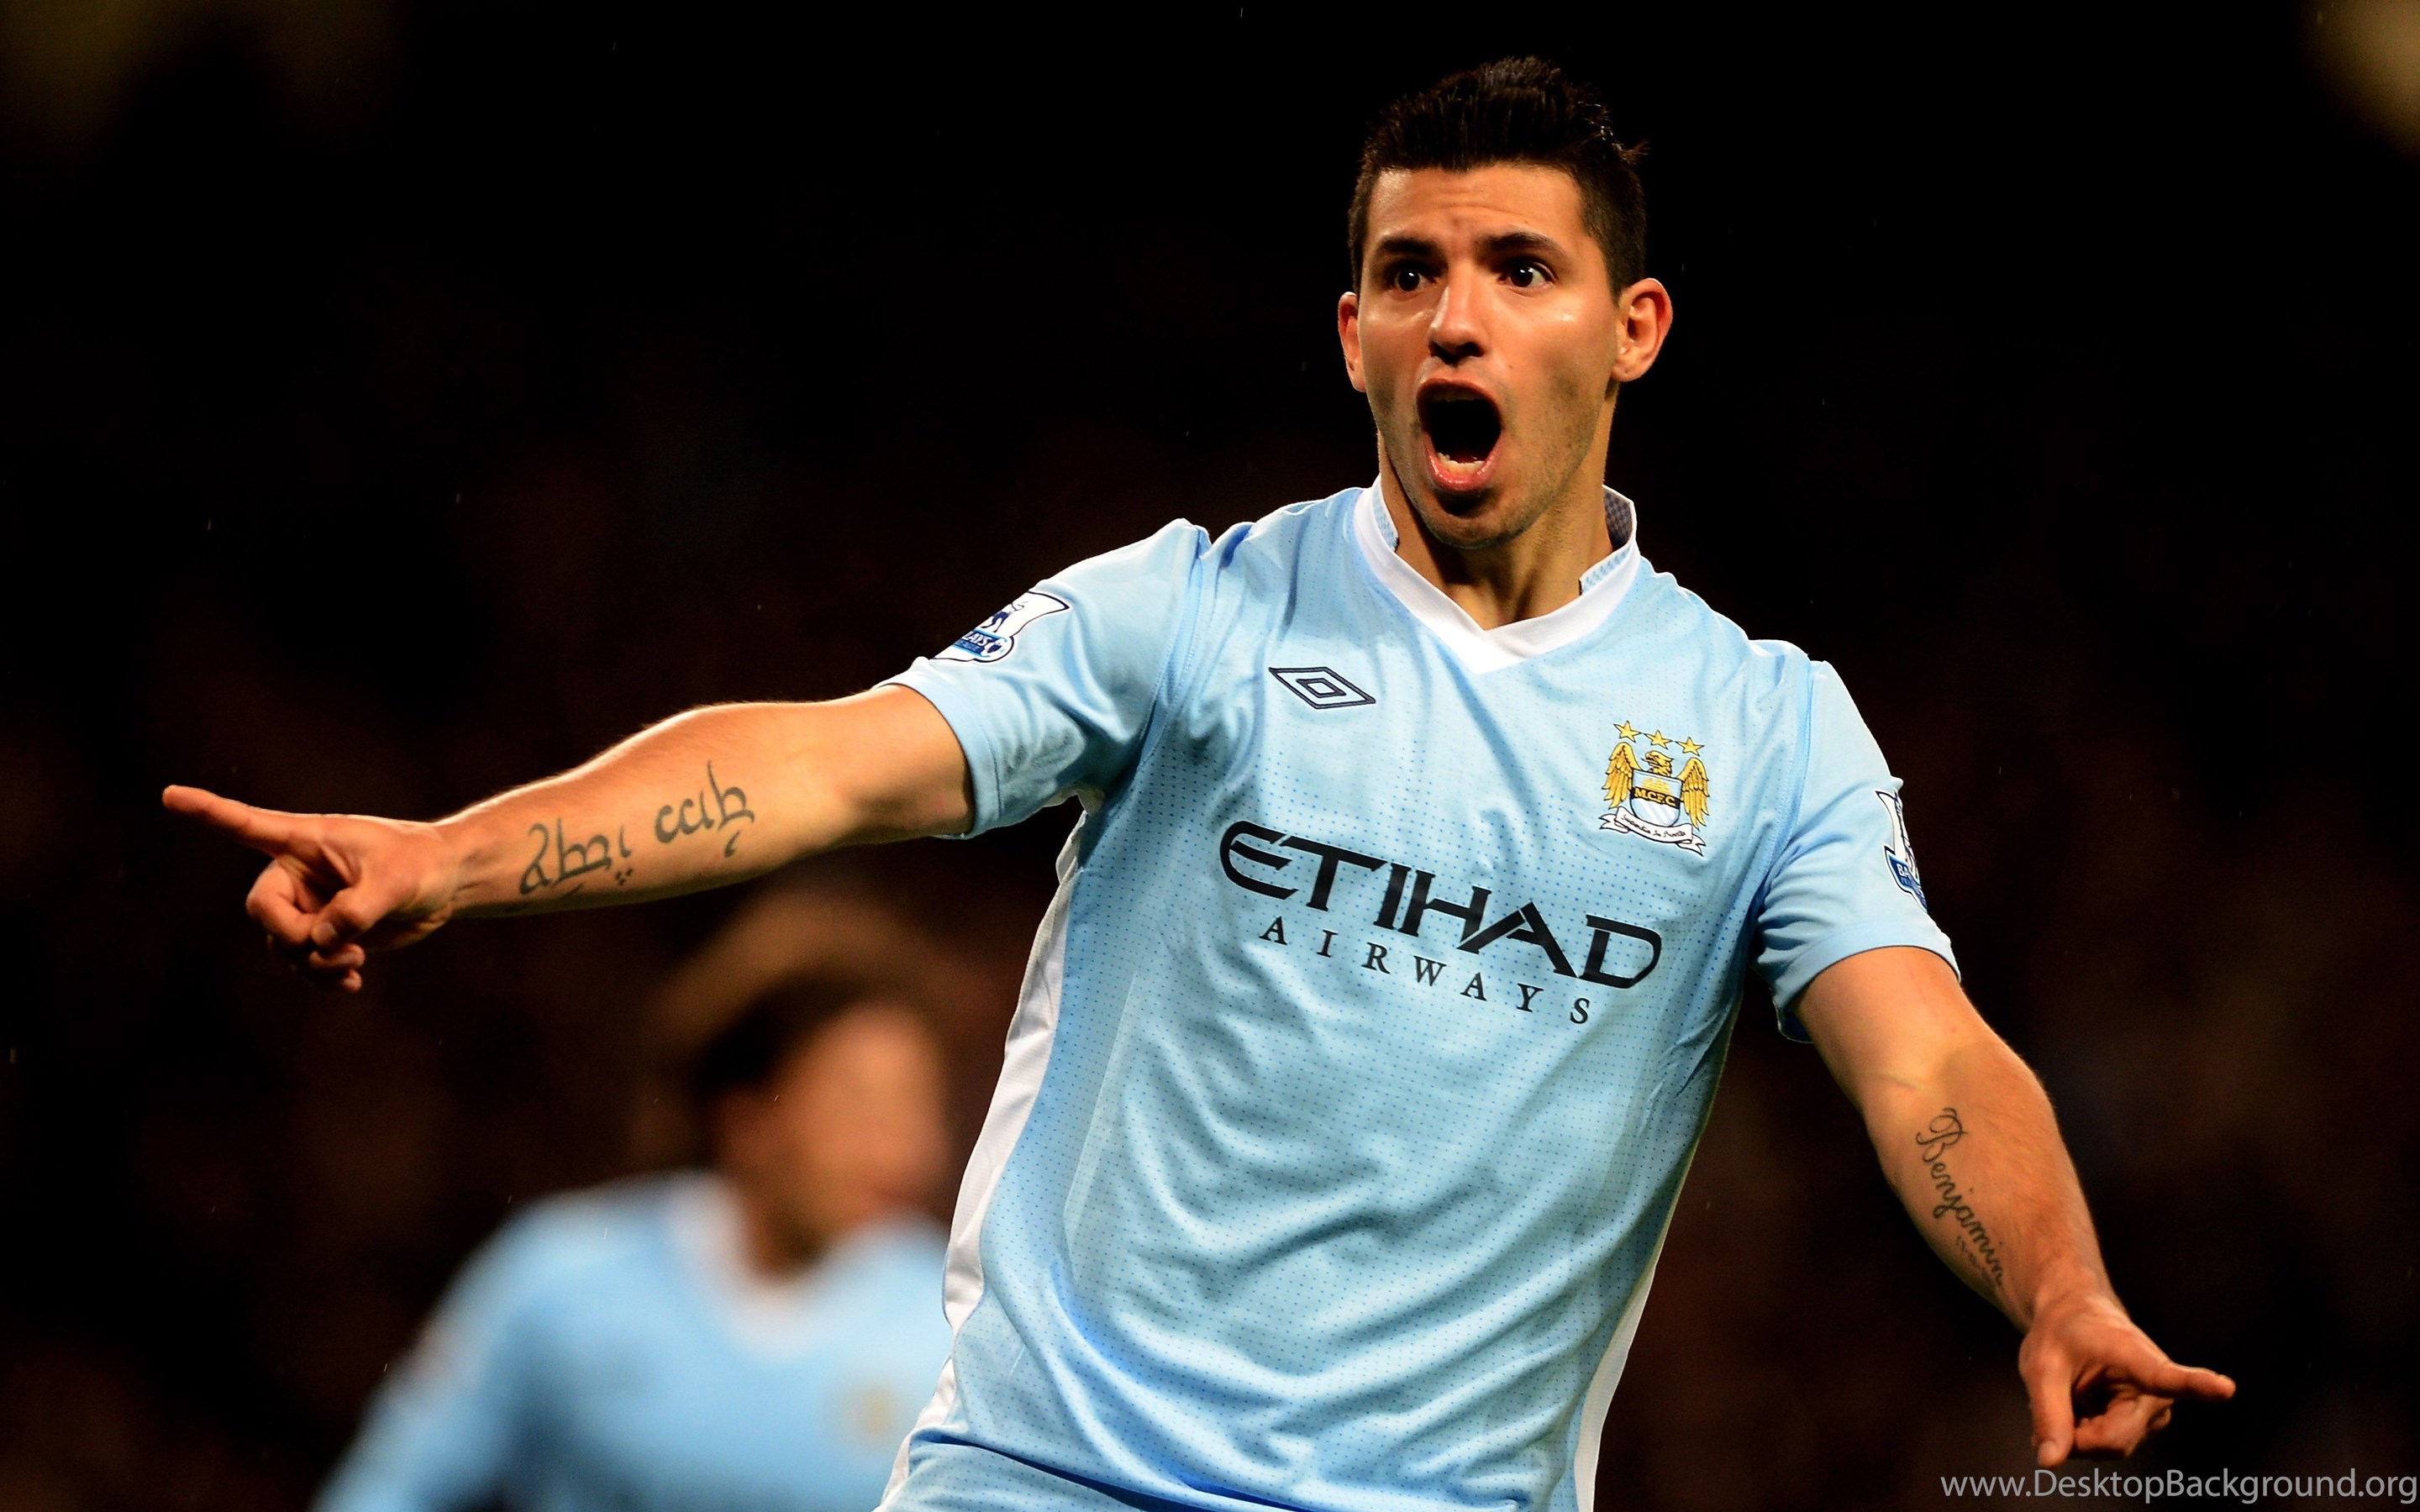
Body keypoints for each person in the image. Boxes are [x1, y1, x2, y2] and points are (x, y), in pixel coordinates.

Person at [170, 57, 2233, 1512]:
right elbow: (828, 763)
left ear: (1633, 328)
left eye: (1518, 270)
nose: (1457, 316)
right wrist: (462, 857)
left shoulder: (1764, 730)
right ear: (1351, 335)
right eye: (1410, 274)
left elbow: (1923, 1055)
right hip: (1047, 1478)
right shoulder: (1193, 613)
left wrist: (2058, 1286)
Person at [316, 900, 955, 1512]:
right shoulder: (559, 1277)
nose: (898, 1150)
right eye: (858, 1107)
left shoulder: (952, 1328)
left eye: (912, 1109)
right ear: (747, 1120)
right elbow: (392, 1488)